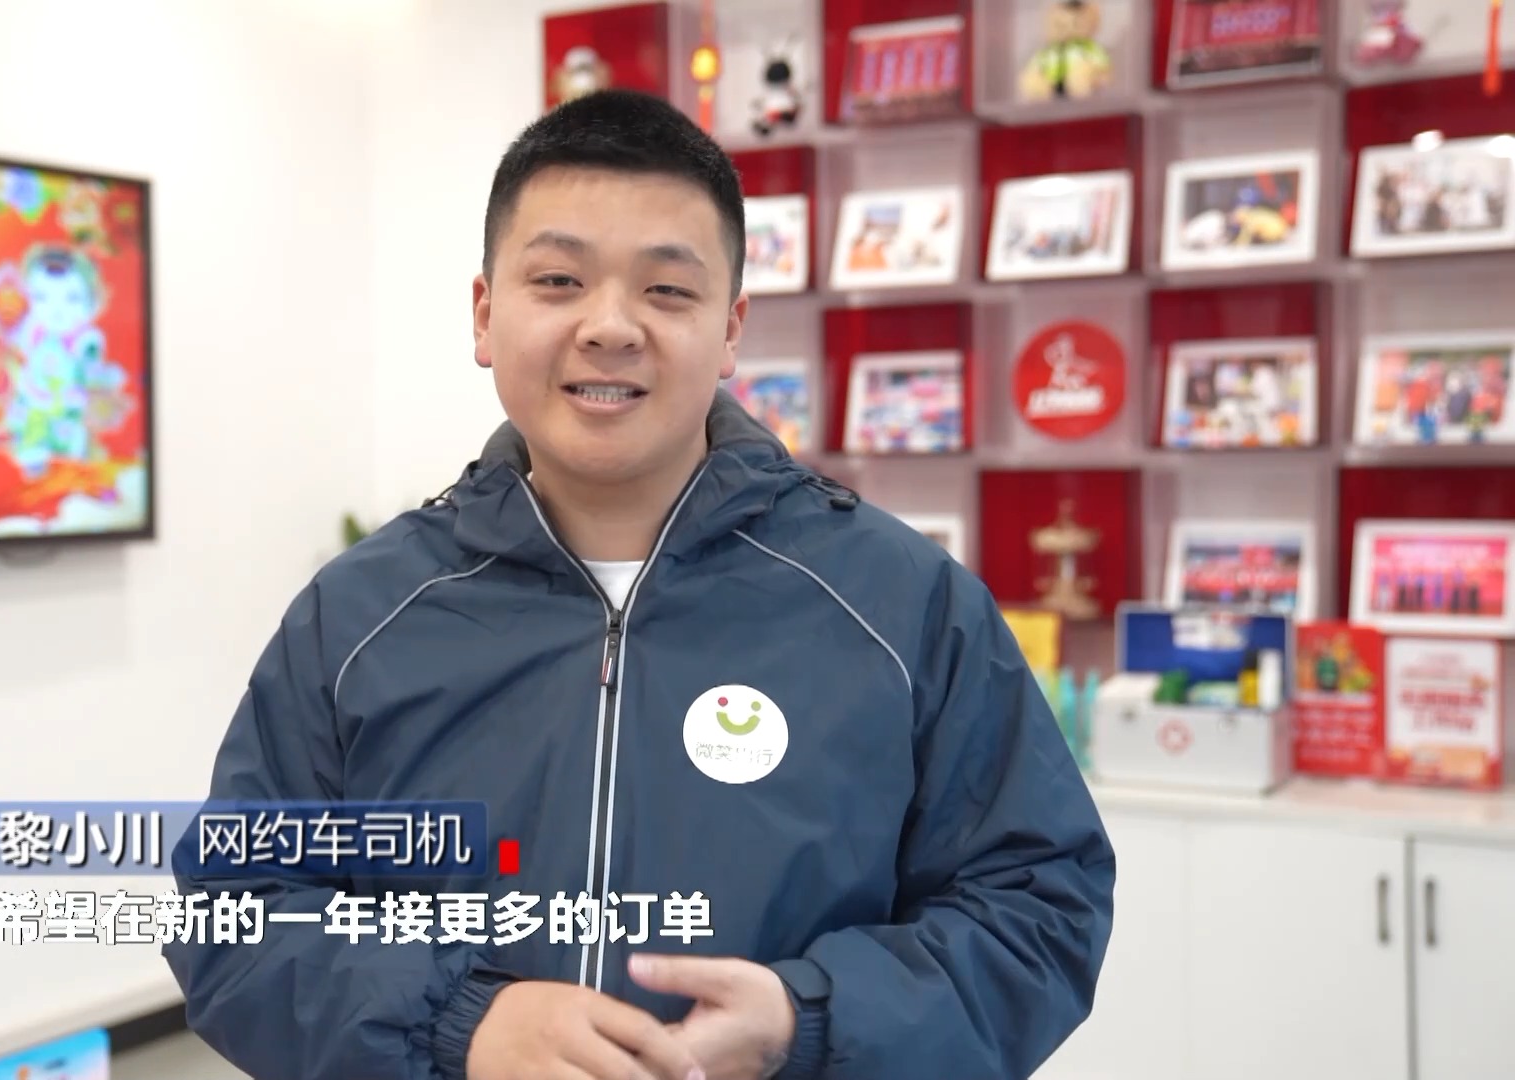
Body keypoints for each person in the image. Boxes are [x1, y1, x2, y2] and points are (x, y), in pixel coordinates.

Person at [163, 88, 1116, 1080]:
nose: (610, 326)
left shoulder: (902, 604)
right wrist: (459, 1024)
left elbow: (1038, 909)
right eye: (559, 280)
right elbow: (235, 917)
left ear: (731, 330)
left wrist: (807, 1018)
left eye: (666, 290)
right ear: (485, 314)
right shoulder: (360, 614)